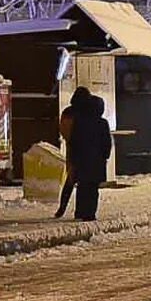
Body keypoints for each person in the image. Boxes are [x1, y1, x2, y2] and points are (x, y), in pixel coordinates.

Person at [66, 93, 114, 222]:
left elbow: (74, 141)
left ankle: (80, 211)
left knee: (82, 186)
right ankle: (89, 212)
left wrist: (74, 158)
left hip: (81, 160)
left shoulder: (79, 122)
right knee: (92, 189)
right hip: (97, 162)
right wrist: (105, 155)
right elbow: (107, 142)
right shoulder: (102, 123)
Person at [53, 87, 93, 219]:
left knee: (70, 179)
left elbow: (63, 130)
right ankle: (80, 210)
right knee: (82, 181)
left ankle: (62, 207)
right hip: (82, 150)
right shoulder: (84, 113)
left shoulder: (68, 112)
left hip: (71, 148)